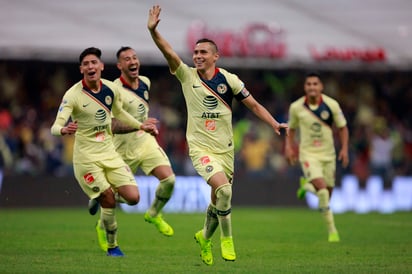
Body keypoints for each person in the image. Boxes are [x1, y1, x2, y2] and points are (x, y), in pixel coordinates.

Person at [147, 5, 288, 265]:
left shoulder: (229, 80)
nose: (197, 56)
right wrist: (154, 31)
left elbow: (254, 105)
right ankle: (227, 239)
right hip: (201, 149)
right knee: (224, 189)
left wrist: (274, 124)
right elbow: (168, 52)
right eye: (195, 52)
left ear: (215, 56)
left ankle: (204, 237)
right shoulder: (186, 75)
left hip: (225, 150)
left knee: (218, 200)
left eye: (203, 52)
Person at [50, 47, 158, 256]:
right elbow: (55, 126)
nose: (91, 66)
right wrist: (63, 130)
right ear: (81, 69)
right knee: (108, 197)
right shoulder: (73, 95)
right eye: (86, 64)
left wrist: (141, 125)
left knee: (133, 198)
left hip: (110, 153)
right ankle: (113, 246)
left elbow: (120, 113)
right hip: (87, 158)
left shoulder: (110, 89)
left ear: (101, 66)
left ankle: (96, 198)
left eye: (94, 63)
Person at [93, 46, 176, 251]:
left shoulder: (145, 83)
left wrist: (145, 128)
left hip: (144, 142)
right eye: (127, 59)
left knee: (169, 180)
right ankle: (101, 225)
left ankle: (154, 213)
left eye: (135, 57)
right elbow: (110, 125)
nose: (133, 61)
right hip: (121, 150)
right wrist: (139, 125)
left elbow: (142, 113)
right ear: (119, 65)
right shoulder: (112, 91)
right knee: (124, 198)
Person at [285, 71, 349, 243]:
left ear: (321, 87)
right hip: (308, 154)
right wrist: (289, 148)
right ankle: (332, 231)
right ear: (305, 87)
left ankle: (306, 186)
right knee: (322, 190)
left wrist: (344, 149)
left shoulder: (332, 105)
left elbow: (343, 128)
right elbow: (291, 129)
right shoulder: (296, 107)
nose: (312, 87)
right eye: (309, 84)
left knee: (327, 194)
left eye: (315, 84)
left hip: (328, 155)